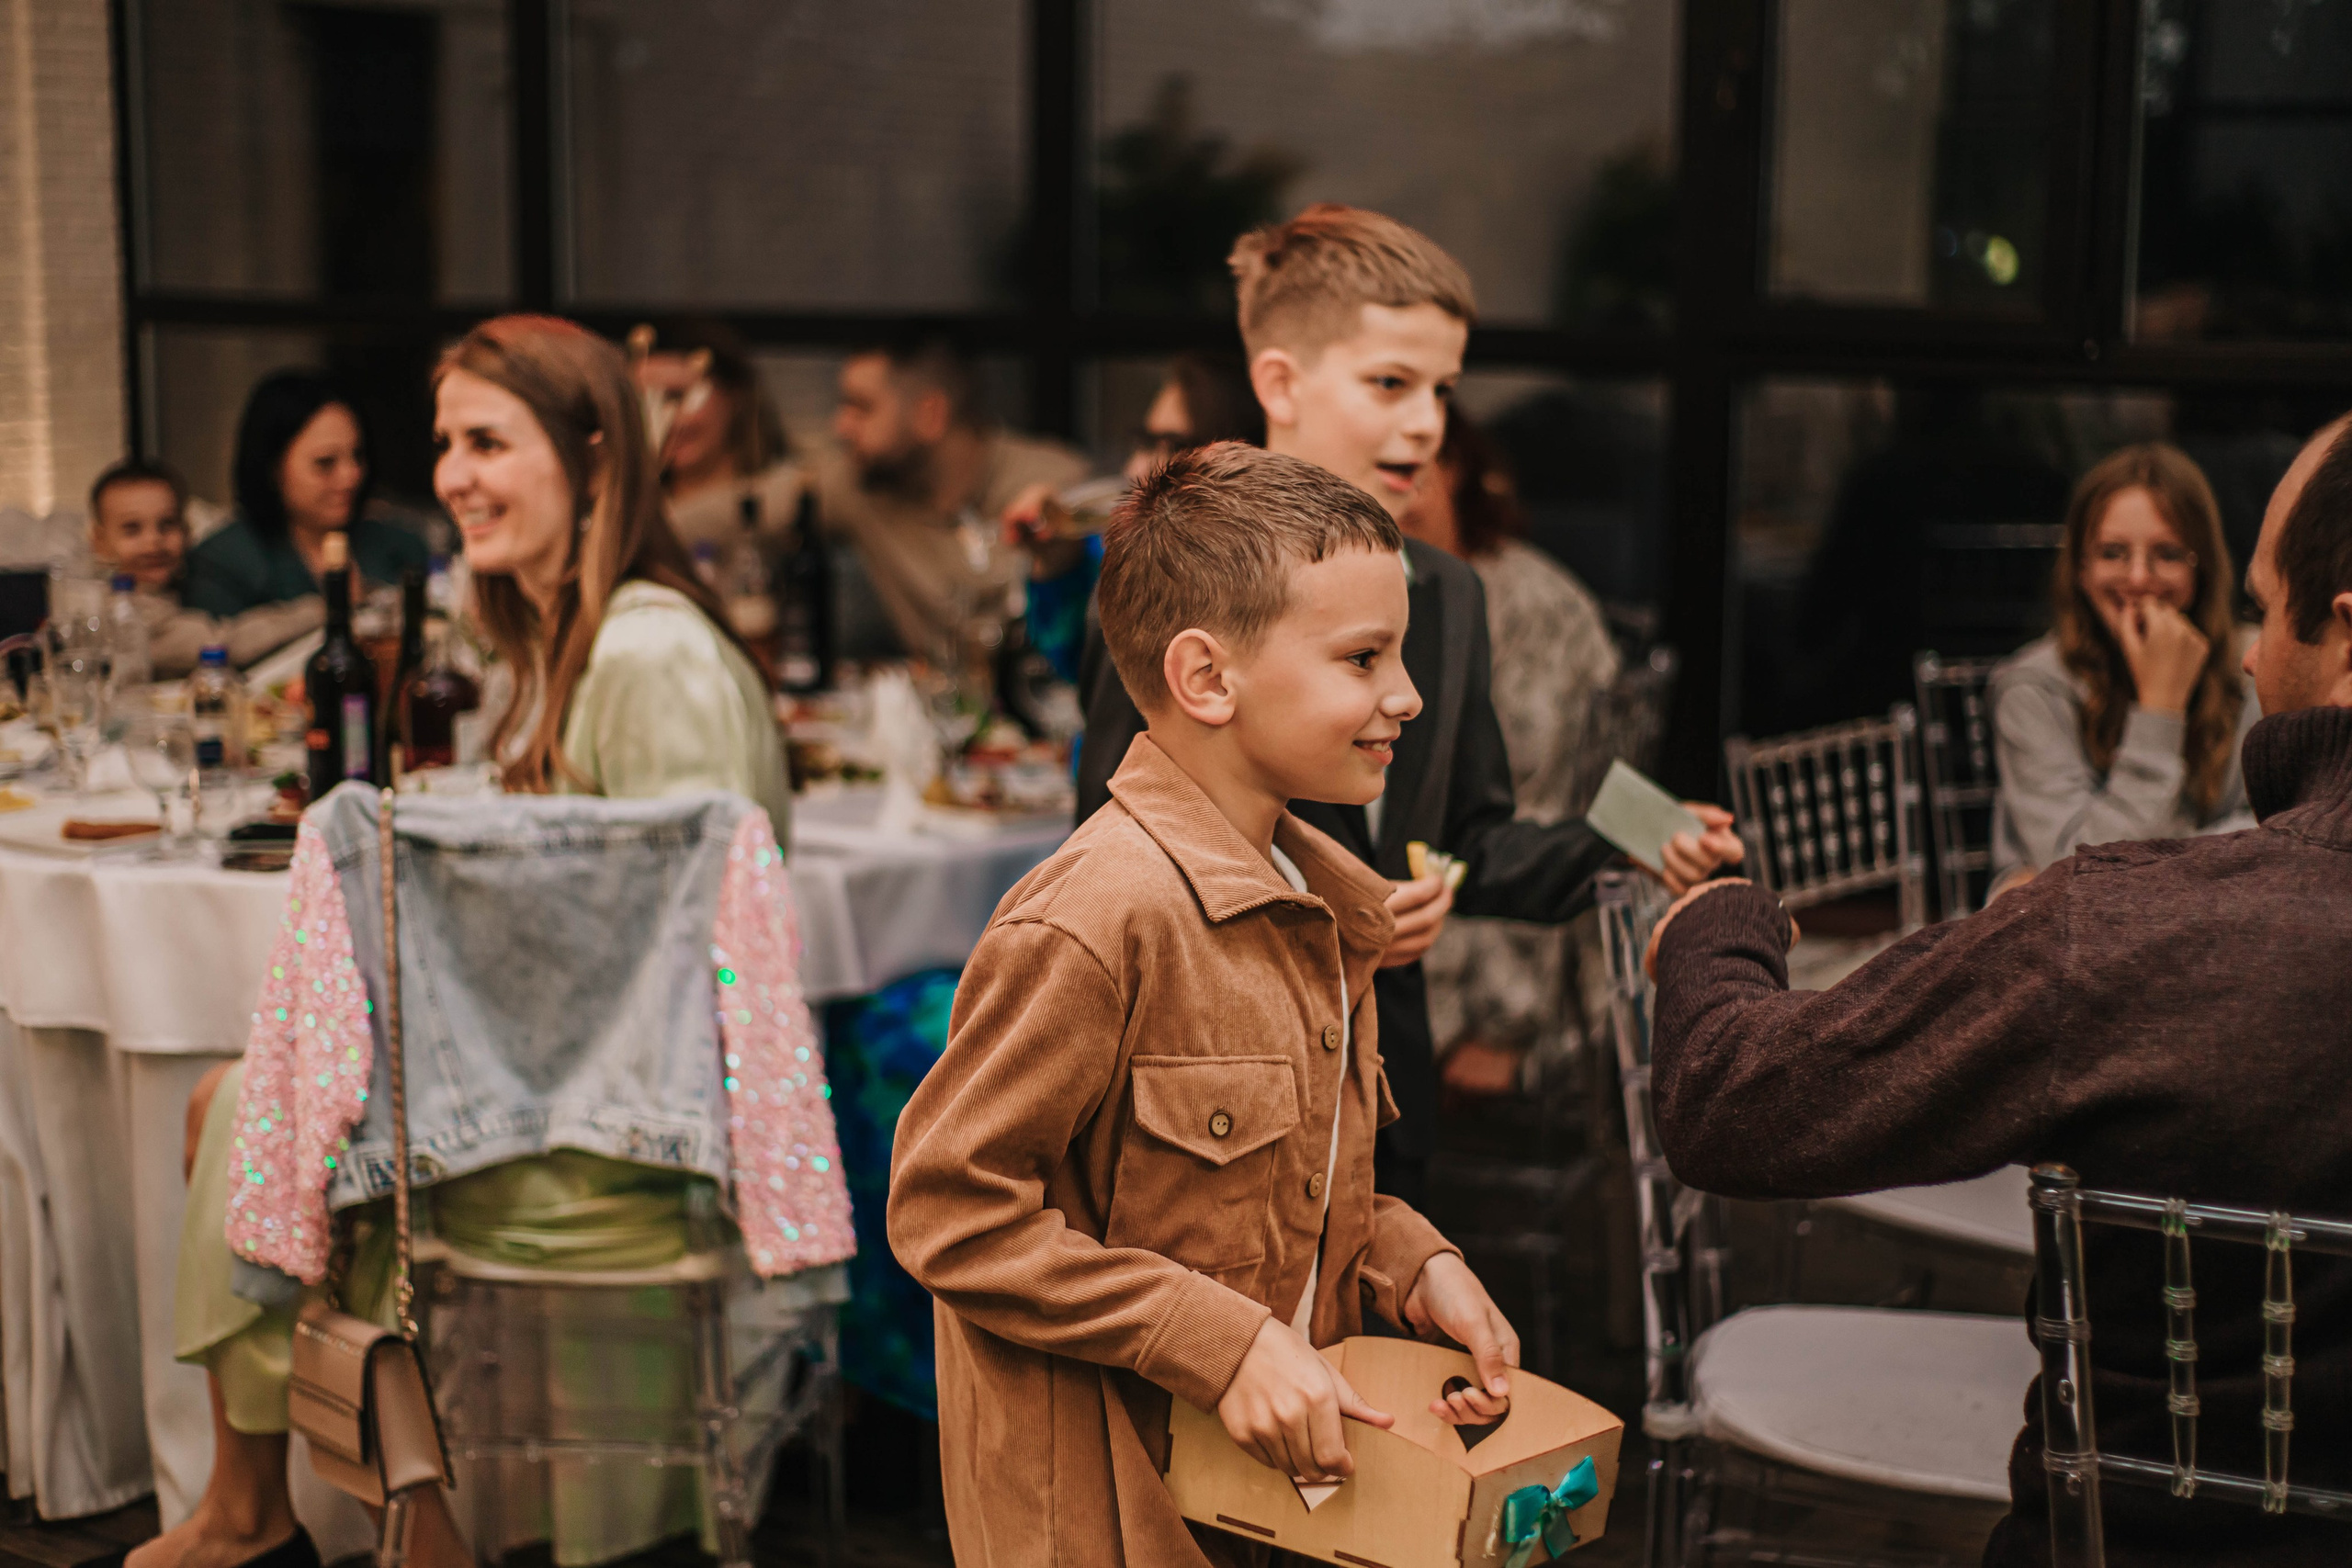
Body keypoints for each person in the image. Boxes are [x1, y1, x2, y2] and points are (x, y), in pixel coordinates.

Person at [1641, 412, 2352, 1567]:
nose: (2244, 653)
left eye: (2265, 611)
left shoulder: (2122, 930)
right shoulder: (2041, 699)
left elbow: (1732, 1097)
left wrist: (1717, 921)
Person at [147, 316, 797, 1568]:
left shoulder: (650, 653)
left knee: (248, 1106)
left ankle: (269, 1519)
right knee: (251, 1095)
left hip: (629, 1124)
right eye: (446, 441)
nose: (451, 473)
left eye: (490, 440)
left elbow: (702, 959)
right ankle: (337, 1521)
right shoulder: (577, 637)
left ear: (596, 459)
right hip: (578, 1083)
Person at [888, 443, 1519, 1567]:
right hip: (1102, 1518)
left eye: (1400, 653)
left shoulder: (1321, 905)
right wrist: (1219, 1345)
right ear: (1206, 679)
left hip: (1260, 1508)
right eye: (1363, 656)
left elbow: (1282, 1187)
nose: (1407, 695)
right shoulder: (1093, 919)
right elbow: (948, 1210)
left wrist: (1413, 1263)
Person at [1073, 204, 1741, 1204]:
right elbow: (1109, 842)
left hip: (1388, 1093)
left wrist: (1643, 831)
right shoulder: (1171, 582)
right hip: (1212, 1105)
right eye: (1391, 383)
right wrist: (1332, 917)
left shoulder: (1447, 591)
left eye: (1442, 388)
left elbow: (1475, 832)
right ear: (1279, 383)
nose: (1427, 421)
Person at [1396, 414, 1620, 1095]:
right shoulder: (1395, 589)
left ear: (1452, 469)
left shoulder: (1521, 607)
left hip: (1506, 953)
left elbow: (1521, 817)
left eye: (1407, 467)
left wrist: (1504, 1025)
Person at [1990, 442, 2260, 882]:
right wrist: (2160, 708)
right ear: (2080, 567)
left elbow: (2286, 832)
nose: (2138, 578)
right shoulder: (2033, 688)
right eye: (2112, 552)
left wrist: (2171, 862)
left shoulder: (2254, 667)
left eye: (2168, 554)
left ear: (2202, 567)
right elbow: (2084, 876)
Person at [812, 336, 1088, 660]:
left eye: (862, 407)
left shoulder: (1057, 487)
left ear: (930, 414)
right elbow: (755, 506)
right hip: (932, 703)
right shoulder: (857, 488)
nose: (840, 425)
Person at [184, 371, 428, 617]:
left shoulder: (401, 546)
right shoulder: (223, 563)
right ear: (273, 468)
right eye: (325, 463)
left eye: (357, 456)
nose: (351, 476)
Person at [85, 457, 322, 677]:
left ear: (187, 531)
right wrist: (321, 609)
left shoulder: (176, 589)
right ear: (100, 542)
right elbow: (224, 645)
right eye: (132, 529)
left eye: (167, 524)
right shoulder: (128, 616)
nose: (153, 541)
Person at [634, 319, 800, 556]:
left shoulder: (787, 497)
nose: (665, 419)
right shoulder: (630, 502)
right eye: (645, 401)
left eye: (678, 396)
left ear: (734, 397)